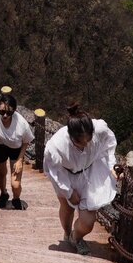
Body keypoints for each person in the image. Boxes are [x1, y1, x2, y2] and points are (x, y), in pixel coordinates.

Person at [42, 103, 118, 254]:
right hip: (66, 176)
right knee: (67, 206)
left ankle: (75, 237)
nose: (85, 145)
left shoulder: (100, 128)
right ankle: (66, 232)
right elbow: (54, 171)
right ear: (70, 136)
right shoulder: (56, 146)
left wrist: (111, 165)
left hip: (90, 171)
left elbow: (109, 142)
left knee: (88, 222)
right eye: (79, 143)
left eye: (88, 140)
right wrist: (69, 191)